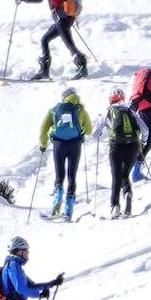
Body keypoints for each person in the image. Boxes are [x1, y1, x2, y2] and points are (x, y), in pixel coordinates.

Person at [17, 0, 87, 80]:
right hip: (66, 18)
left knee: (69, 45)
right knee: (45, 39)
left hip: (62, 19)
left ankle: (82, 67)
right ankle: (44, 71)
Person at [39, 87, 92, 221]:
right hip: (75, 145)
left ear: (64, 97)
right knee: (71, 176)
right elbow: (89, 130)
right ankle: (68, 211)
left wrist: (43, 145)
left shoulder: (55, 109)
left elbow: (43, 129)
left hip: (59, 144)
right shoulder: (81, 110)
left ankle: (56, 204)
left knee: (59, 175)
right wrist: (81, 129)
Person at [94, 88, 146, 217]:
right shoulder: (131, 111)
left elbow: (95, 134)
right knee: (124, 175)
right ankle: (127, 194)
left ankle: (115, 206)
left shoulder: (108, 112)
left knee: (116, 176)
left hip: (116, 146)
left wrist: (101, 133)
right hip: (133, 146)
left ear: (110, 99)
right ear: (123, 98)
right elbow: (145, 130)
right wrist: (143, 142)